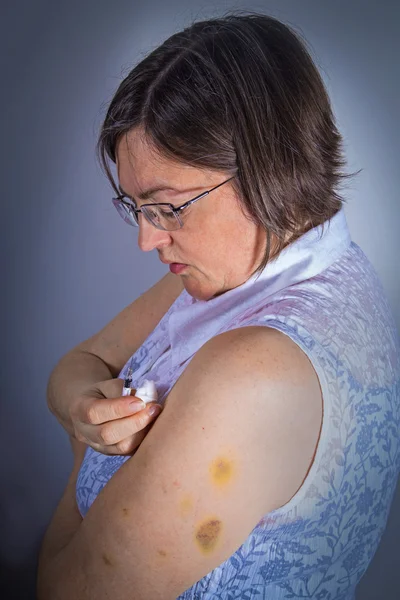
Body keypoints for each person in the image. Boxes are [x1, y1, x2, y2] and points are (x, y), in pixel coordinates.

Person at [37, 12, 400, 600]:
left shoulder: (252, 374)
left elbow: (61, 588)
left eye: (169, 206)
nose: (146, 240)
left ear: (270, 168)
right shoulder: (267, 273)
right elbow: (82, 360)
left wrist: (80, 447)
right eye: (137, 207)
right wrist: (83, 407)